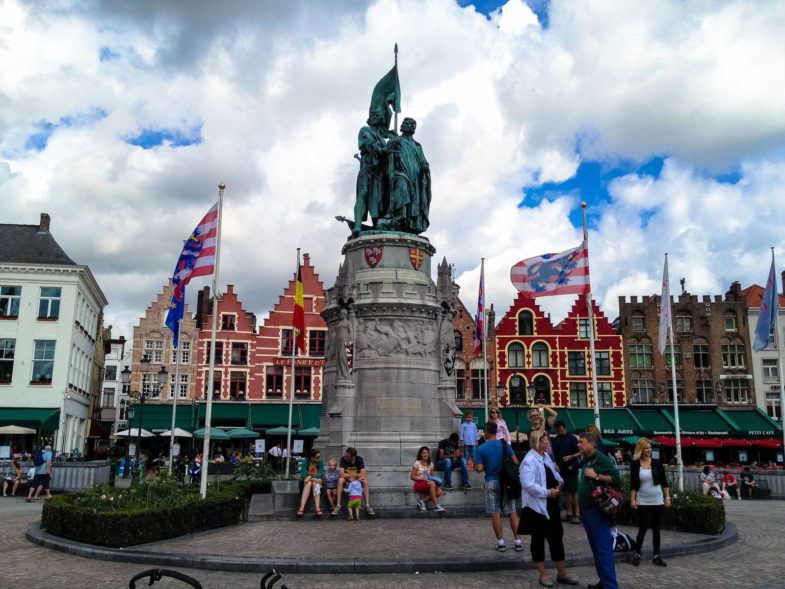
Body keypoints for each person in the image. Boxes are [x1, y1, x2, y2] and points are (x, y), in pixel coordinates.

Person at [519, 429, 579, 587]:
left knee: (557, 537)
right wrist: (546, 492)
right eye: (546, 440)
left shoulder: (545, 456)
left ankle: (562, 573)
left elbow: (554, 473)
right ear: (538, 442)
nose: (548, 443)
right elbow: (527, 484)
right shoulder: (529, 460)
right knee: (538, 539)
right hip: (536, 507)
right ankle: (543, 574)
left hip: (551, 504)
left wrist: (559, 481)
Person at [578, 431, 621, 589]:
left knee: (602, 548)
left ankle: (610, 585)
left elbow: (617, 478)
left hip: (595, 510)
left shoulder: (601, 458)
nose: (578, 444)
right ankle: (604, 580)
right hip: (586, 510)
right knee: (596, 548)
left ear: (592, 443)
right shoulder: (587, 458)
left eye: (581, 442)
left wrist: (596, 476)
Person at [474, 421, 523, 553]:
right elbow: (515, 461)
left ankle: (501, 543)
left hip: (491, 481)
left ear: (486, 432)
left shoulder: (481, 448)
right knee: (512, 512)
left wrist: (484, 466)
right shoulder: (505, 445)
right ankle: (518, 541)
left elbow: (478, 468)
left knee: (495, 513)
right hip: (506, 482)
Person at [629, 437, 670, 568]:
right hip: (642, 499)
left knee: (656, 528)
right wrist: (633, 499)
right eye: (646, 448)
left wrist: (667, 497)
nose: (649, 450)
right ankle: (637, 553)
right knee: (643, 527)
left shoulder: (657, 463)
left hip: (657, 498)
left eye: (650, 447)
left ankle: (656, 555)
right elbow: (633, 483)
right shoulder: (635, 464)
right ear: (641, 449)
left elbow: (664, 481)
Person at [385, 117, 431, 233]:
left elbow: (423, 160)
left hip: (415, 176)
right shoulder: (397, 140)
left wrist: (425, 167)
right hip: (400, 172)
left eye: (411, 124)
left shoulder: (417, 145)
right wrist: (390, 147)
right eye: (406, 123)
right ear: (402, 126)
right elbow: (387, 154)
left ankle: (411, 223)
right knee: (402, 189)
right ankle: (399, 218)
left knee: (415, 199)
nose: (409, 126)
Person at [353, 110, 392, 235]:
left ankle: (377, 224)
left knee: (378, 200)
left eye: (378, 116)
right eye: (373, 116)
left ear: (381, 120)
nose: (375, 117)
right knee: (362, 195)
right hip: (367, 168)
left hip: (379, 173)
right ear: (369, 120)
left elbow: (387, 157)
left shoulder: (382, 139)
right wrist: (383, 150)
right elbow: (369, 143)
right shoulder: (365, 130)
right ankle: (357, 225)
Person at [550, 420, 581, 524]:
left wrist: (571, 457)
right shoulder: (555, 440)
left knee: (574, 492)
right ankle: (569, 513)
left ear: (565, 428)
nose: (560, 432)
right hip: (561, 470)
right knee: (566, 492)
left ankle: (577, 514)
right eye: (558, 431)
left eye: (561, 430)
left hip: (572, 468)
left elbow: (580, 452)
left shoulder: (572, 438)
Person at [331, 447, 376, 517]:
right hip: (346, 482)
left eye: (347, 456)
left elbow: (363, 475)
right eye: (345, 456)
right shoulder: (343, 459)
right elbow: (341, 474)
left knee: (365, 481)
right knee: (340, 480)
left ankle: (367, 506)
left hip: (356, 482)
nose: (345, 457)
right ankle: (338, 506)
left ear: (353, 457)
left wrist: (351, 478)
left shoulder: (359, 459)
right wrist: (354, 475)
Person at [410, 446, 445, 512]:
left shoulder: (431, 464)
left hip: (428, 483)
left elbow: (432, 476)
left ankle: (422, 501)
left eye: (427, 453)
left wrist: (434, 480)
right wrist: (422, 479)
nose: (426, 454)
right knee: (432, 483)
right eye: (424, 453)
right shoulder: (417, 463)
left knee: (439, 491)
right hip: (418, 484)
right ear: (421, 454)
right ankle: (436, 506)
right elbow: (412, 477)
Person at [297, 448, 324, 516]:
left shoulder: (320, 462)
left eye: (319, 457)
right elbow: (305, 478)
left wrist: (310, 477)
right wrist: (315, 478)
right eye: (317, 457)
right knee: (308, 483)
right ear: (312, 458)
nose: (319, 458)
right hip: (304, 486)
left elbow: (320, 476)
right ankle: (301, 507)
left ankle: (317, 508)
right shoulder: (305, 463)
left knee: (314, 483)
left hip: (318, 485)